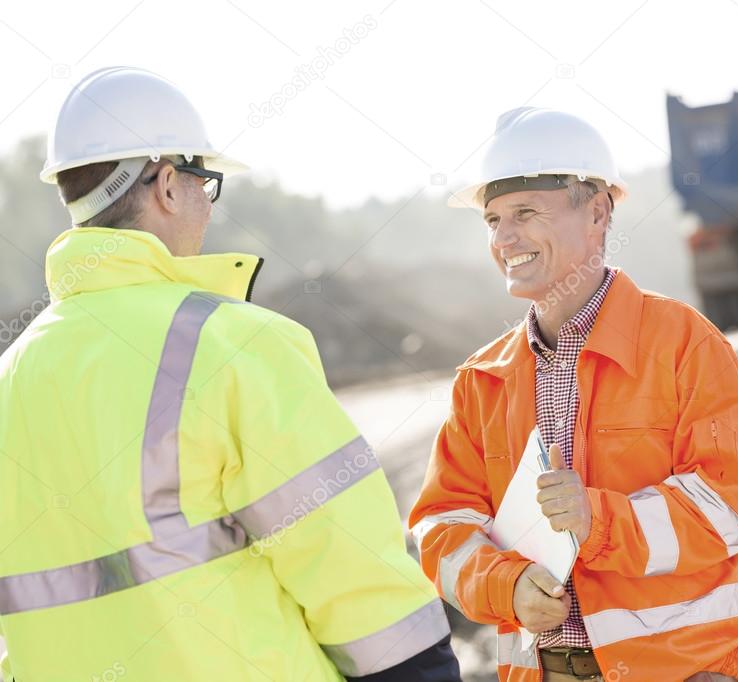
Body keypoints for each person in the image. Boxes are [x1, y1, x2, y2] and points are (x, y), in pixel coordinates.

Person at [0, 66, 459, 682]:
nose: (208, 207)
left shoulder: (13, 376)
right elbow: (349, 570)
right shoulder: (229, 343)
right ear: (167, 184)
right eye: (204, 183)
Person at [410, 107, 738, 681]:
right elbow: (441, 526)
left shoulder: (684, 344)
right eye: (492, 219)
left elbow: (730, 505)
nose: (504, 238)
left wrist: (596, 520)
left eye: (526, 213)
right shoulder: (482, 380)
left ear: (599, 213)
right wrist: (505, 586)